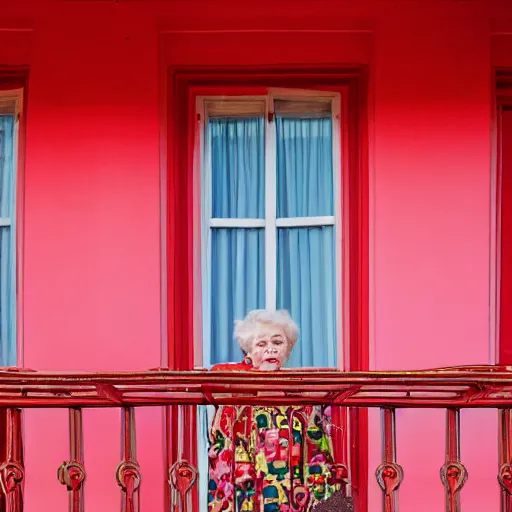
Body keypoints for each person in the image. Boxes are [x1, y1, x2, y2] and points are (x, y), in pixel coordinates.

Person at [207, 310, 345, 512]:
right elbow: (223, 450)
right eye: (261, 344)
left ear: (287, 349)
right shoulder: (235, 397)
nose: (270, 350)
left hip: (293, 493)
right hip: (248, 493)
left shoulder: (303, 402)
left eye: (277, 343)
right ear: (249, 352)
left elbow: (318, 455)